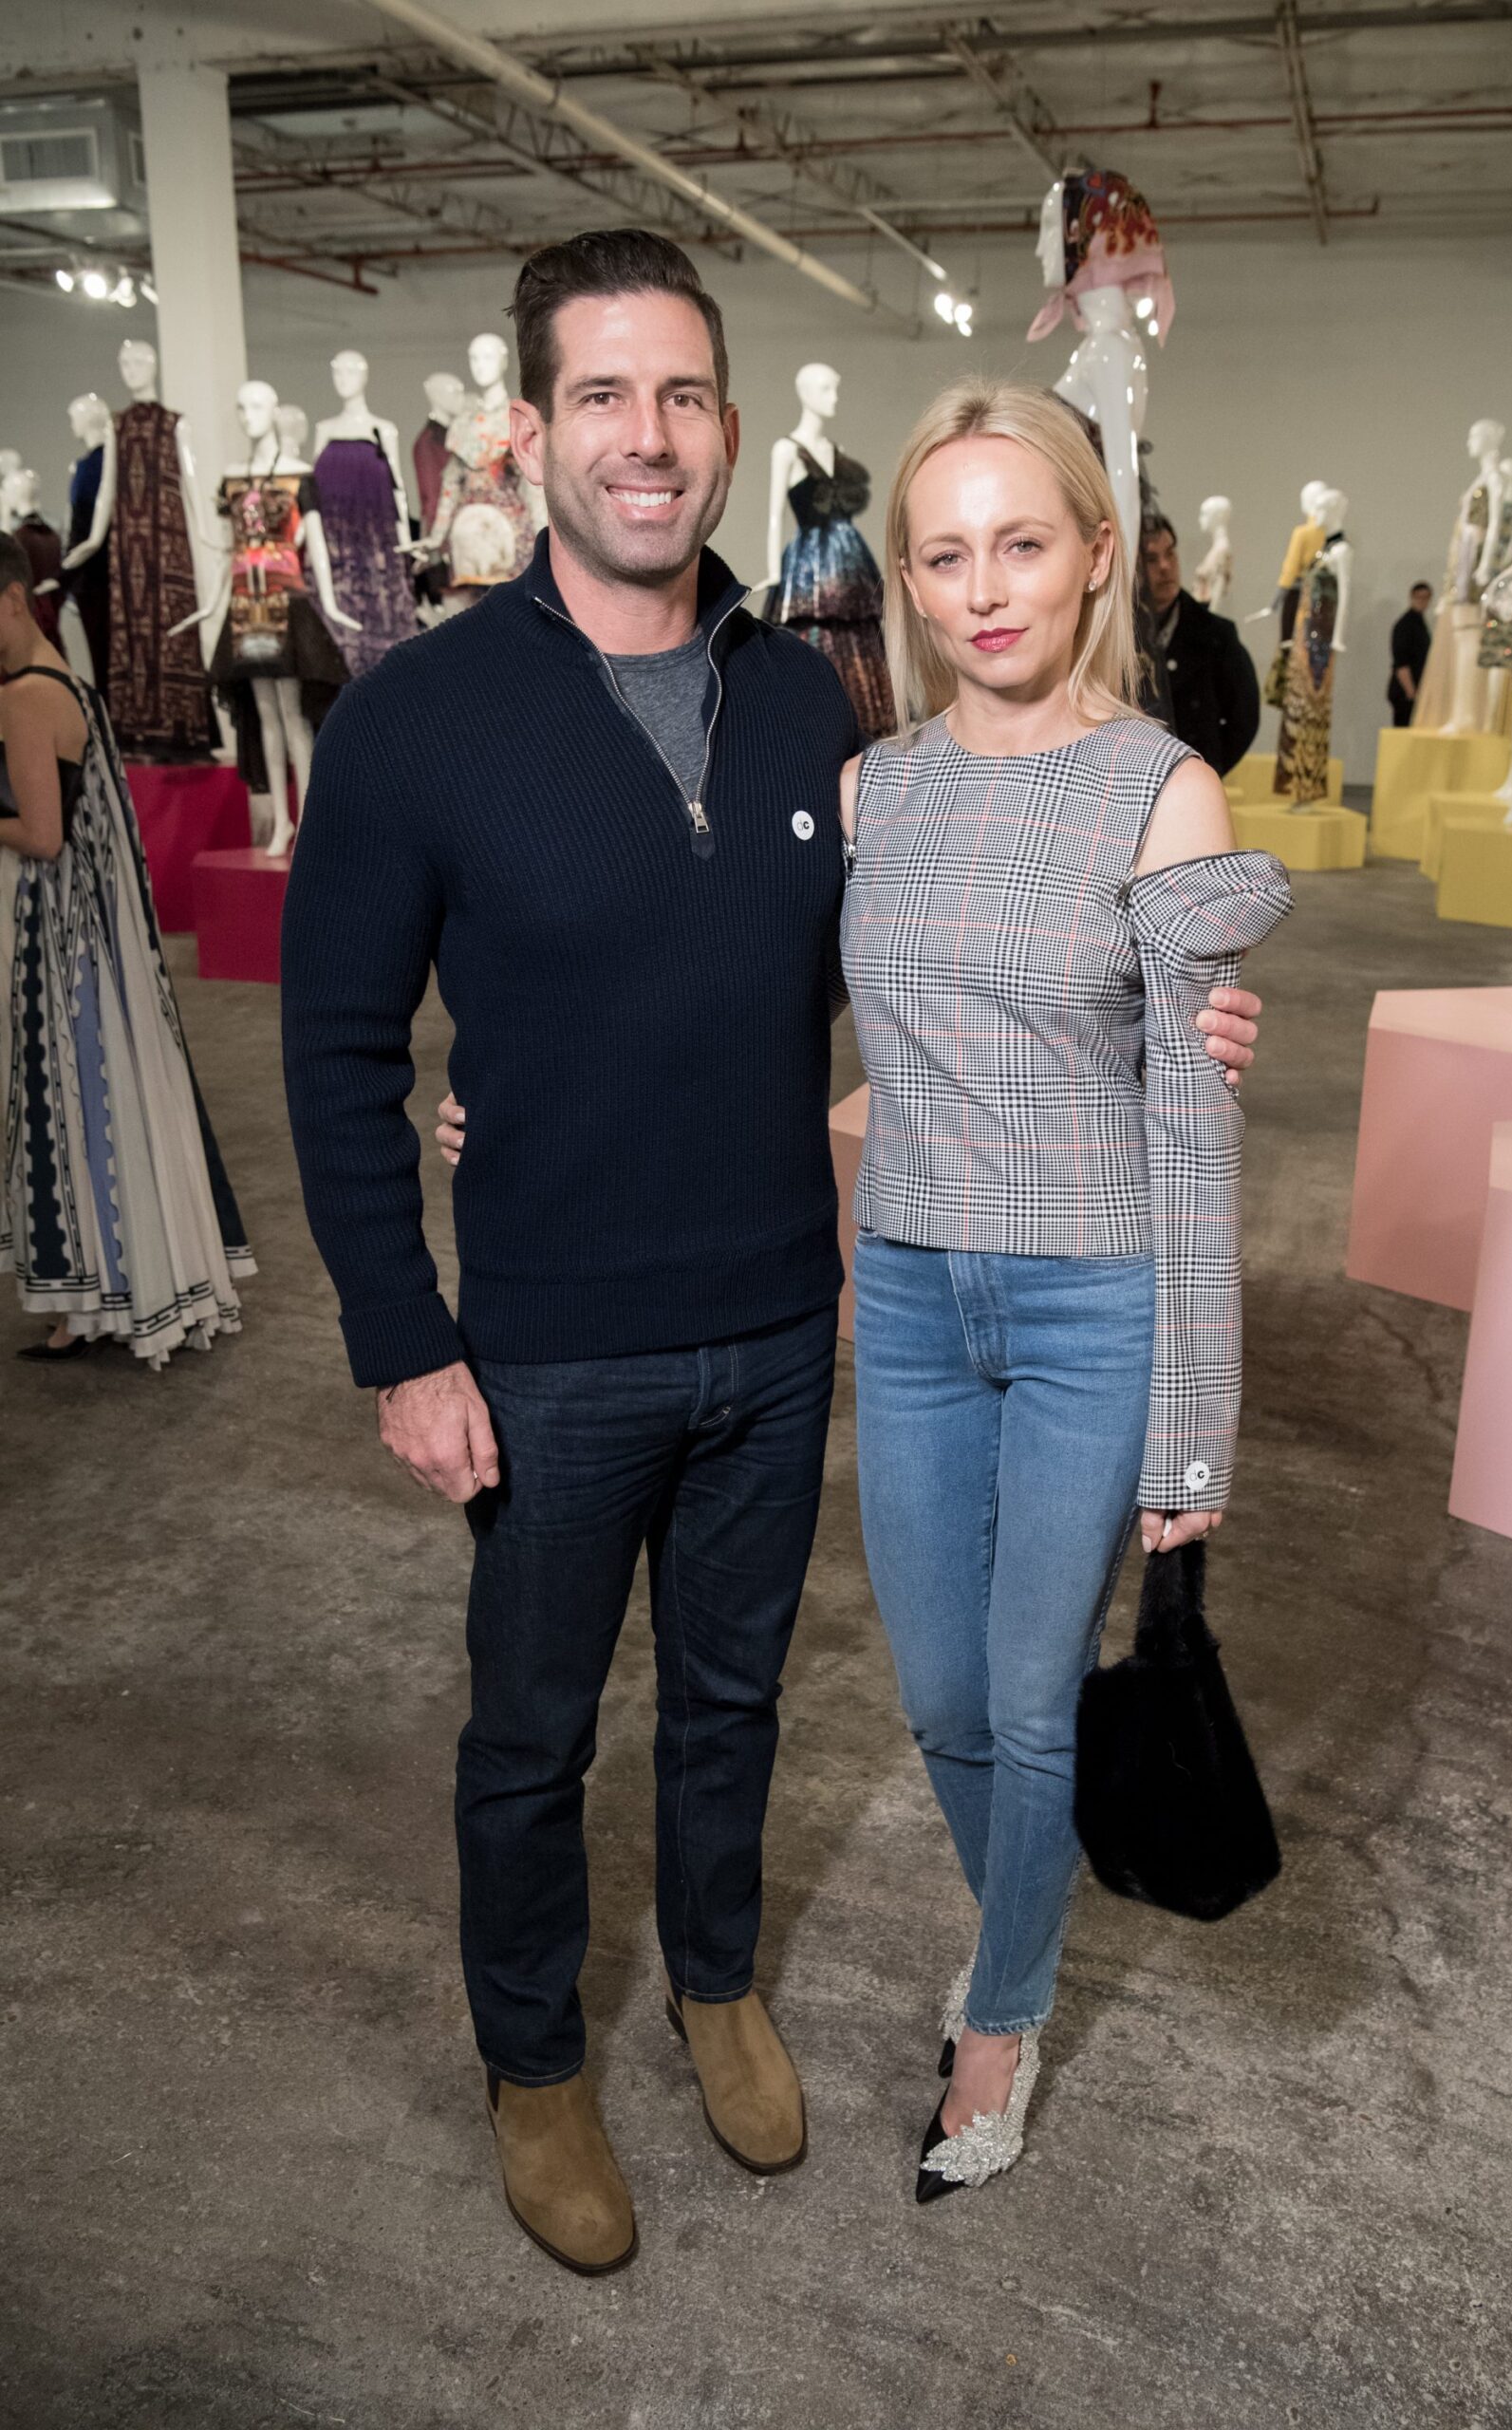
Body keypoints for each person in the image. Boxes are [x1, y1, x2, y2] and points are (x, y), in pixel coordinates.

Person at [282, 230, 1265, 2278]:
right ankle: (534, 2065)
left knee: (734, 1702)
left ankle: (716, 1987)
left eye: (679, 397)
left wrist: (1168, 1011)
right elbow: (337, 1044)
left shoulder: (807, 707)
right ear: (531, 430)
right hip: (544, 1345)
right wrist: (403, 1329)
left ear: (726, 428)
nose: (644, 438)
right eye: (602, 396)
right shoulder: (416, 718)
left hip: (780, 1323)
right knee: (531, 1735)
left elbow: (879, 975)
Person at [838, 382, 1290, 2200]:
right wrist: (516, 1096)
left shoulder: (1162, 791)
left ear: (1096, 556)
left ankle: (1001, 2016)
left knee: (1037, 1707)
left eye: (1020, 544)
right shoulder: (871, 788)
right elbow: (753, 1012)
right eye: (943, 555)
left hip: (1095, 1302)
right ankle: (1019, 1910)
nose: (984, 589)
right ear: (906, 582)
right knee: (944, 1704)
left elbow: (1191, 1131)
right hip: (906, 1299)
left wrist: (1195, 1432)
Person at [0, 530, 253, 1365]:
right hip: (88, 941)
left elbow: (41, 836)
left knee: (72, 1110)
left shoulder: (26, 696)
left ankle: (89, 1302)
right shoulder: (68, 685)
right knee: (101, 1109)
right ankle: (115, 1291)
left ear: (12, 599)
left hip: (55, 939)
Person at [1141, 514, 1260, 776]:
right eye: (1151, 559)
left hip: (1191, 779)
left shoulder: (1215, 635)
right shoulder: (1115, 633)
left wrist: (1207, 769)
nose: (1165, 567)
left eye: (1170, 554)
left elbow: (1244, 717)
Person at [1388, 581, 1433, 726]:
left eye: (1426, 598)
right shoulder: (1405, 625)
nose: (1422, 601)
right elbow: (1401, 663)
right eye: (1419, 597)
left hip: (1415, 690)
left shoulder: (1419, 623)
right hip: (1406, 693)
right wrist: (1411, 693)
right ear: (1412, 597)